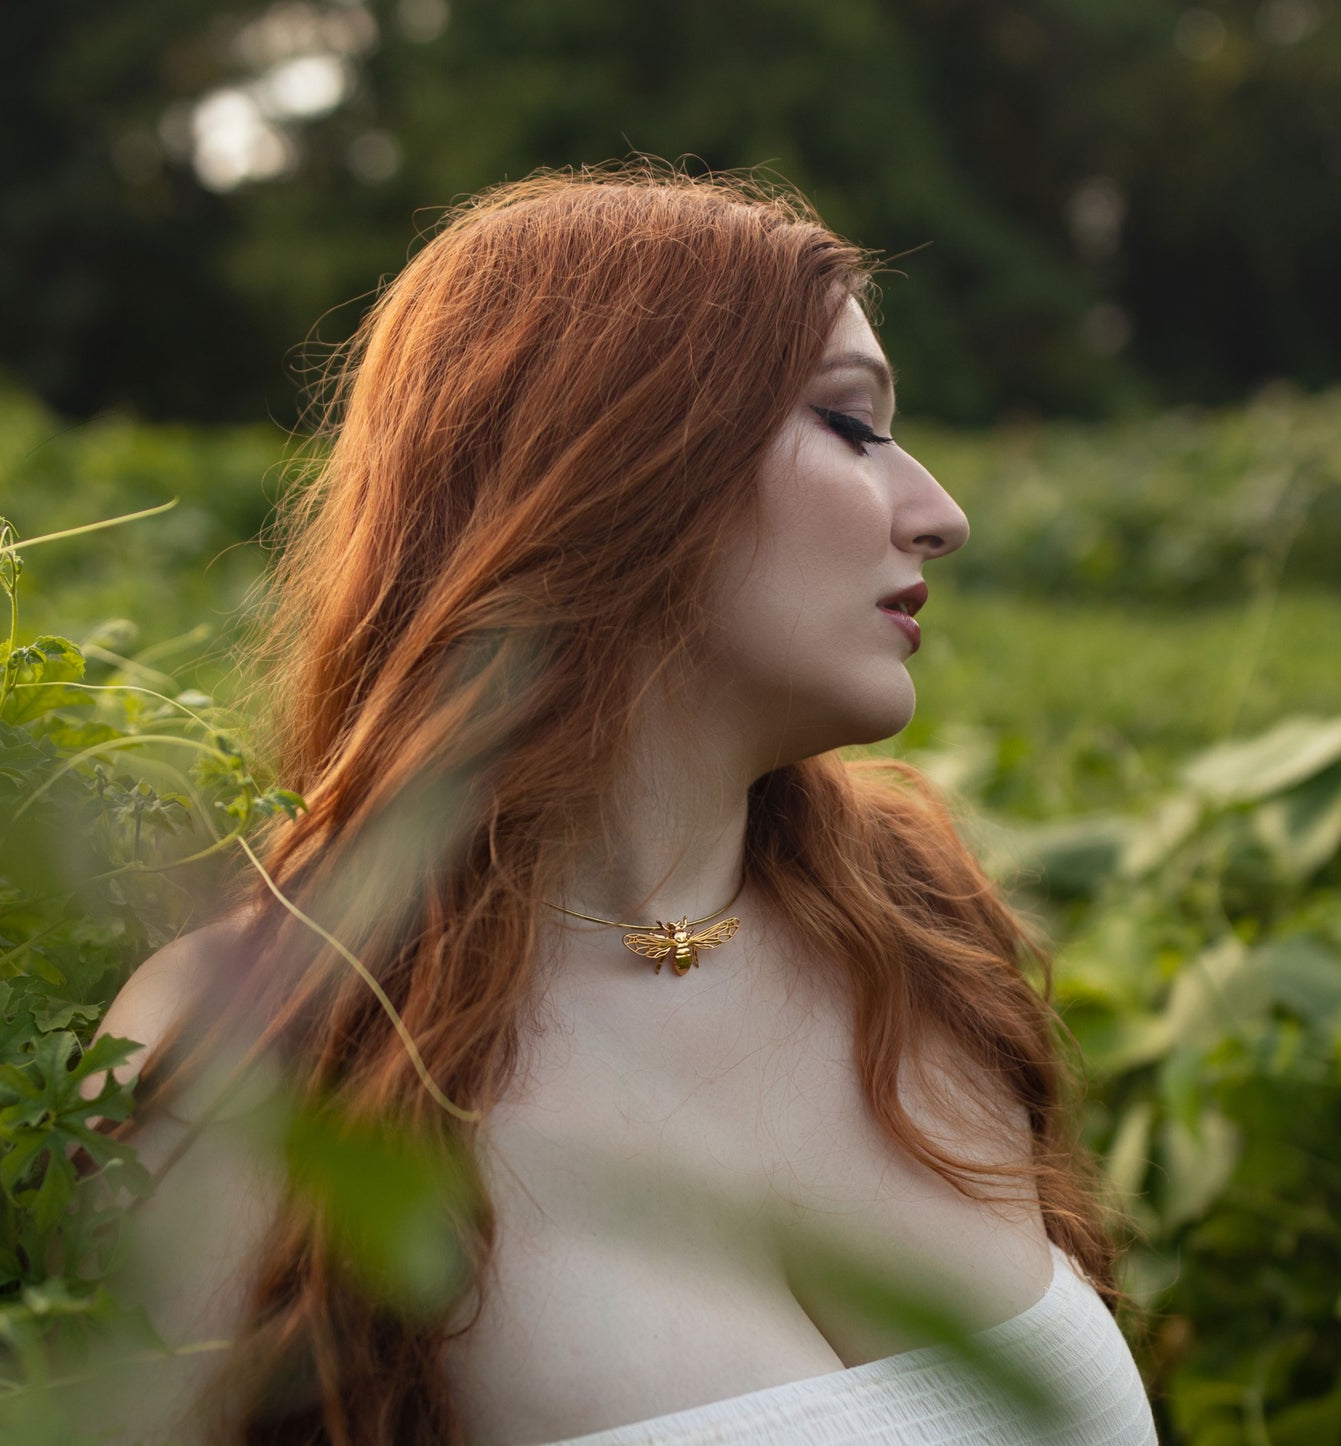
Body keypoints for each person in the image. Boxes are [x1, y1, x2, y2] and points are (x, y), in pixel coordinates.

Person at [93, 166, 1158, 1445]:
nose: (939, 514)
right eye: (851, 425)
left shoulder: (913, 934)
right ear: (613, 459)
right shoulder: (270, 1051)